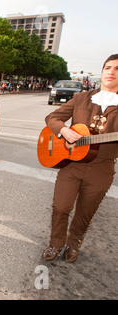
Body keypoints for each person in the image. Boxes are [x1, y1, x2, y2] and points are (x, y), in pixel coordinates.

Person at [42, 54, 118, 262]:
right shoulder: (82, 98)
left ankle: (73, 244)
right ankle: (55, 243)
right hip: (72, 164)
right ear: (101, 72)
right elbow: (53, 118)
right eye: (108, 67)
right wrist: (64, 132)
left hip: (101, 169)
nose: (111, 72)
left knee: (85, 213)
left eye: (117, 69)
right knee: (61, 207)